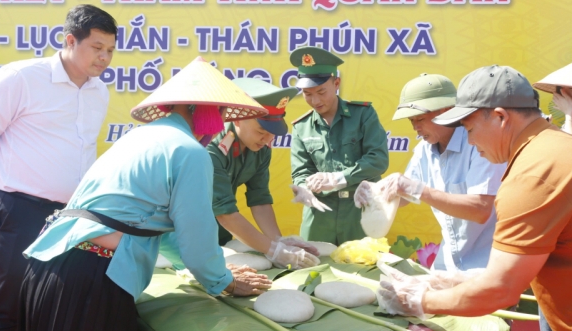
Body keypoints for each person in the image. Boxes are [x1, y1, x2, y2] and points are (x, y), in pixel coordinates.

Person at [17, 57, 273, 331]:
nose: (220, 123)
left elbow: (156, 226)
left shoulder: (139, 137)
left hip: (48, 270)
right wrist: (223, 281)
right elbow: (196, 231)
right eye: (222, 113)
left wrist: (197, 269)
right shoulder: (190, 151)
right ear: (206, 111)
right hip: (90, 280)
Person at [377, 65, 572, 331]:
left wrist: (417, 300)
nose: (469, 142)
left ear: (500, 117)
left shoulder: (534, 173)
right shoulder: (552, 146)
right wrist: (455, 280)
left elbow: (499, 290)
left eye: (468, 129)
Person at [0, 4, 117, 331]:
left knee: (47, 300)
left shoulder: (99, 91)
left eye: (109, 50)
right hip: (19, 209)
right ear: (69, 41)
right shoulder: (21, 78)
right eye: (96, 47)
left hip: (71, 216)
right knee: (7, 303)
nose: (104, 57)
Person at [355, 74, 506, 271]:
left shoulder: (480, 146)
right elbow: (404, 196)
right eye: (411, 121)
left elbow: (480, 210)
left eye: (420, 119)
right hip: (447, 263)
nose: (416, 128)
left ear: (447, 111)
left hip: (488, 265)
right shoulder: (423, 150)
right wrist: (374, 196)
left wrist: (419, 189)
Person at [206, 78, 320, 269]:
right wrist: (274, 250)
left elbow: (259, 199)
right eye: (261, 130)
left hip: (218, 236)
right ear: (239, 119)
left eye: (273, 132)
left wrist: (278, 241)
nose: (268, 138)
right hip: (180, 237)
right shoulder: (212, 149)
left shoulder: (260, 148)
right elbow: (225, 213)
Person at [289, 47, 389, 245]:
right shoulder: (301, 127)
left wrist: (337, 178)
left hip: (360, 209)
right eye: (307, 94)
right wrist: (303, 189)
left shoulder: (363, 114)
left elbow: (378, 159)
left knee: (361, 268)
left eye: (321, 92)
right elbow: (300, 172)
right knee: (313, 270)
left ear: (336, 83)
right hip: (318, 214)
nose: (315, 100)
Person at [533, 52, 572, 148]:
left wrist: (569, 114)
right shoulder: (571, 124)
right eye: (561, 88)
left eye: (570, 88)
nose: (563, 93)